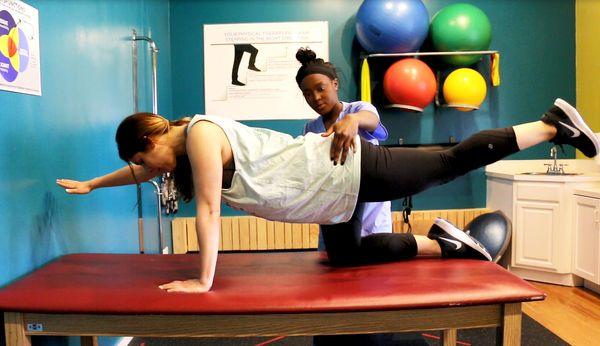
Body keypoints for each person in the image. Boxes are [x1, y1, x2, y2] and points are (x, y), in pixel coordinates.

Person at [57, 96, 600, 293]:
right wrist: (92, 184)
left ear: (152, 139)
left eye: (140, 158)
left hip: (349, 169)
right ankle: (448, 244)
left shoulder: (199, 136)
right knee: (346, 256)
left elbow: (205, 210)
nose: (144, 169)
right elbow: (141, 174)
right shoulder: (173, 149)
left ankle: (551, 126)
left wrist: (203, 280)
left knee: (449, 162)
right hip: (328, 196)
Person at [296, 47, 393, 251]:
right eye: (307, 94)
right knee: (336, 272)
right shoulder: (310, 128)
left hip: (370, 214)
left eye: (320, 88)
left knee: (374, 269)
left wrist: (353, 121)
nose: (315, 97)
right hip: (333, 213)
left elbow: (372, 120)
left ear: (335, 84)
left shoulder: (358, 109)